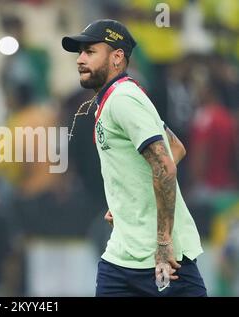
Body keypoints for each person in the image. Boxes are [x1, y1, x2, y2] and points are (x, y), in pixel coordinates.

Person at [62, 19, 206, 296]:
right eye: (80, 52)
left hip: (162, 259)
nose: (80, 59)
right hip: (121, 258)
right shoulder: (116, 97)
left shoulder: (124, 99)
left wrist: (163, 244)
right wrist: (130, 198)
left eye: (90, 51)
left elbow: (166, 162)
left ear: (117, 57)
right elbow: (175, 147)